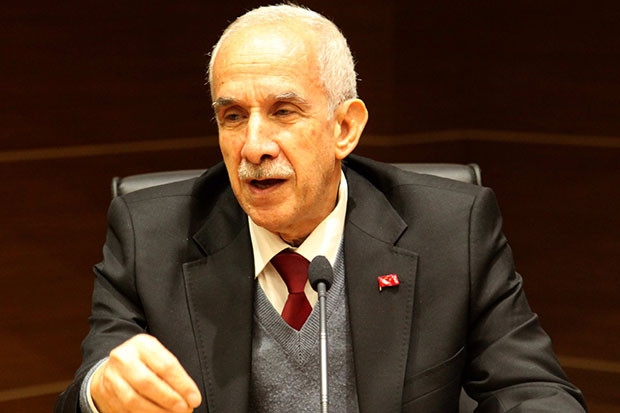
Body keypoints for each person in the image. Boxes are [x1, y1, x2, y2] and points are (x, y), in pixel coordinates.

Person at [56, 4, 586, 412]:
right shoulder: (150, 236)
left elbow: (533, 389)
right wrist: (101, 392)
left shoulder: (448, 230)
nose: (253, 147)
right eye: (233, 116)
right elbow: (86, 390)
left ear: (345, 128)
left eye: (284, 111)